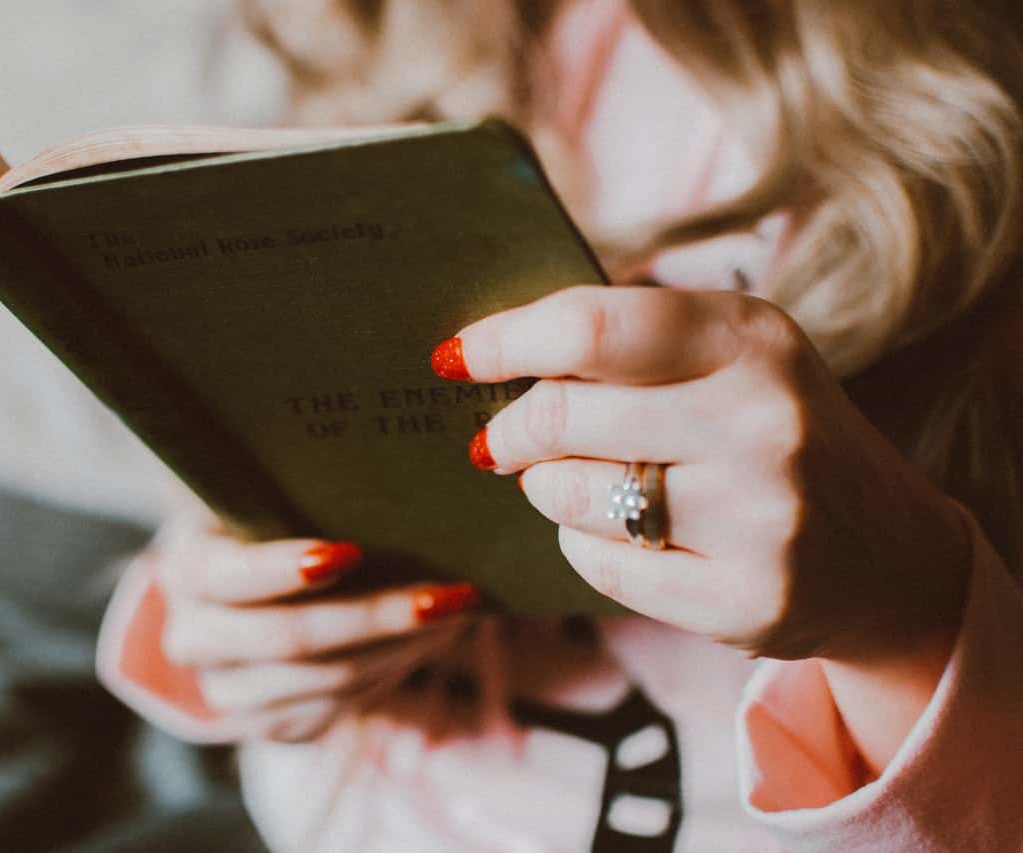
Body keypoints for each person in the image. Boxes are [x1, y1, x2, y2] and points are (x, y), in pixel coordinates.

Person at [97, 0, 1023, 849]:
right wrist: (226, 624)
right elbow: (280, 497)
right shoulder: (390, 29)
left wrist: (904, 610)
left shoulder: (964, 110)